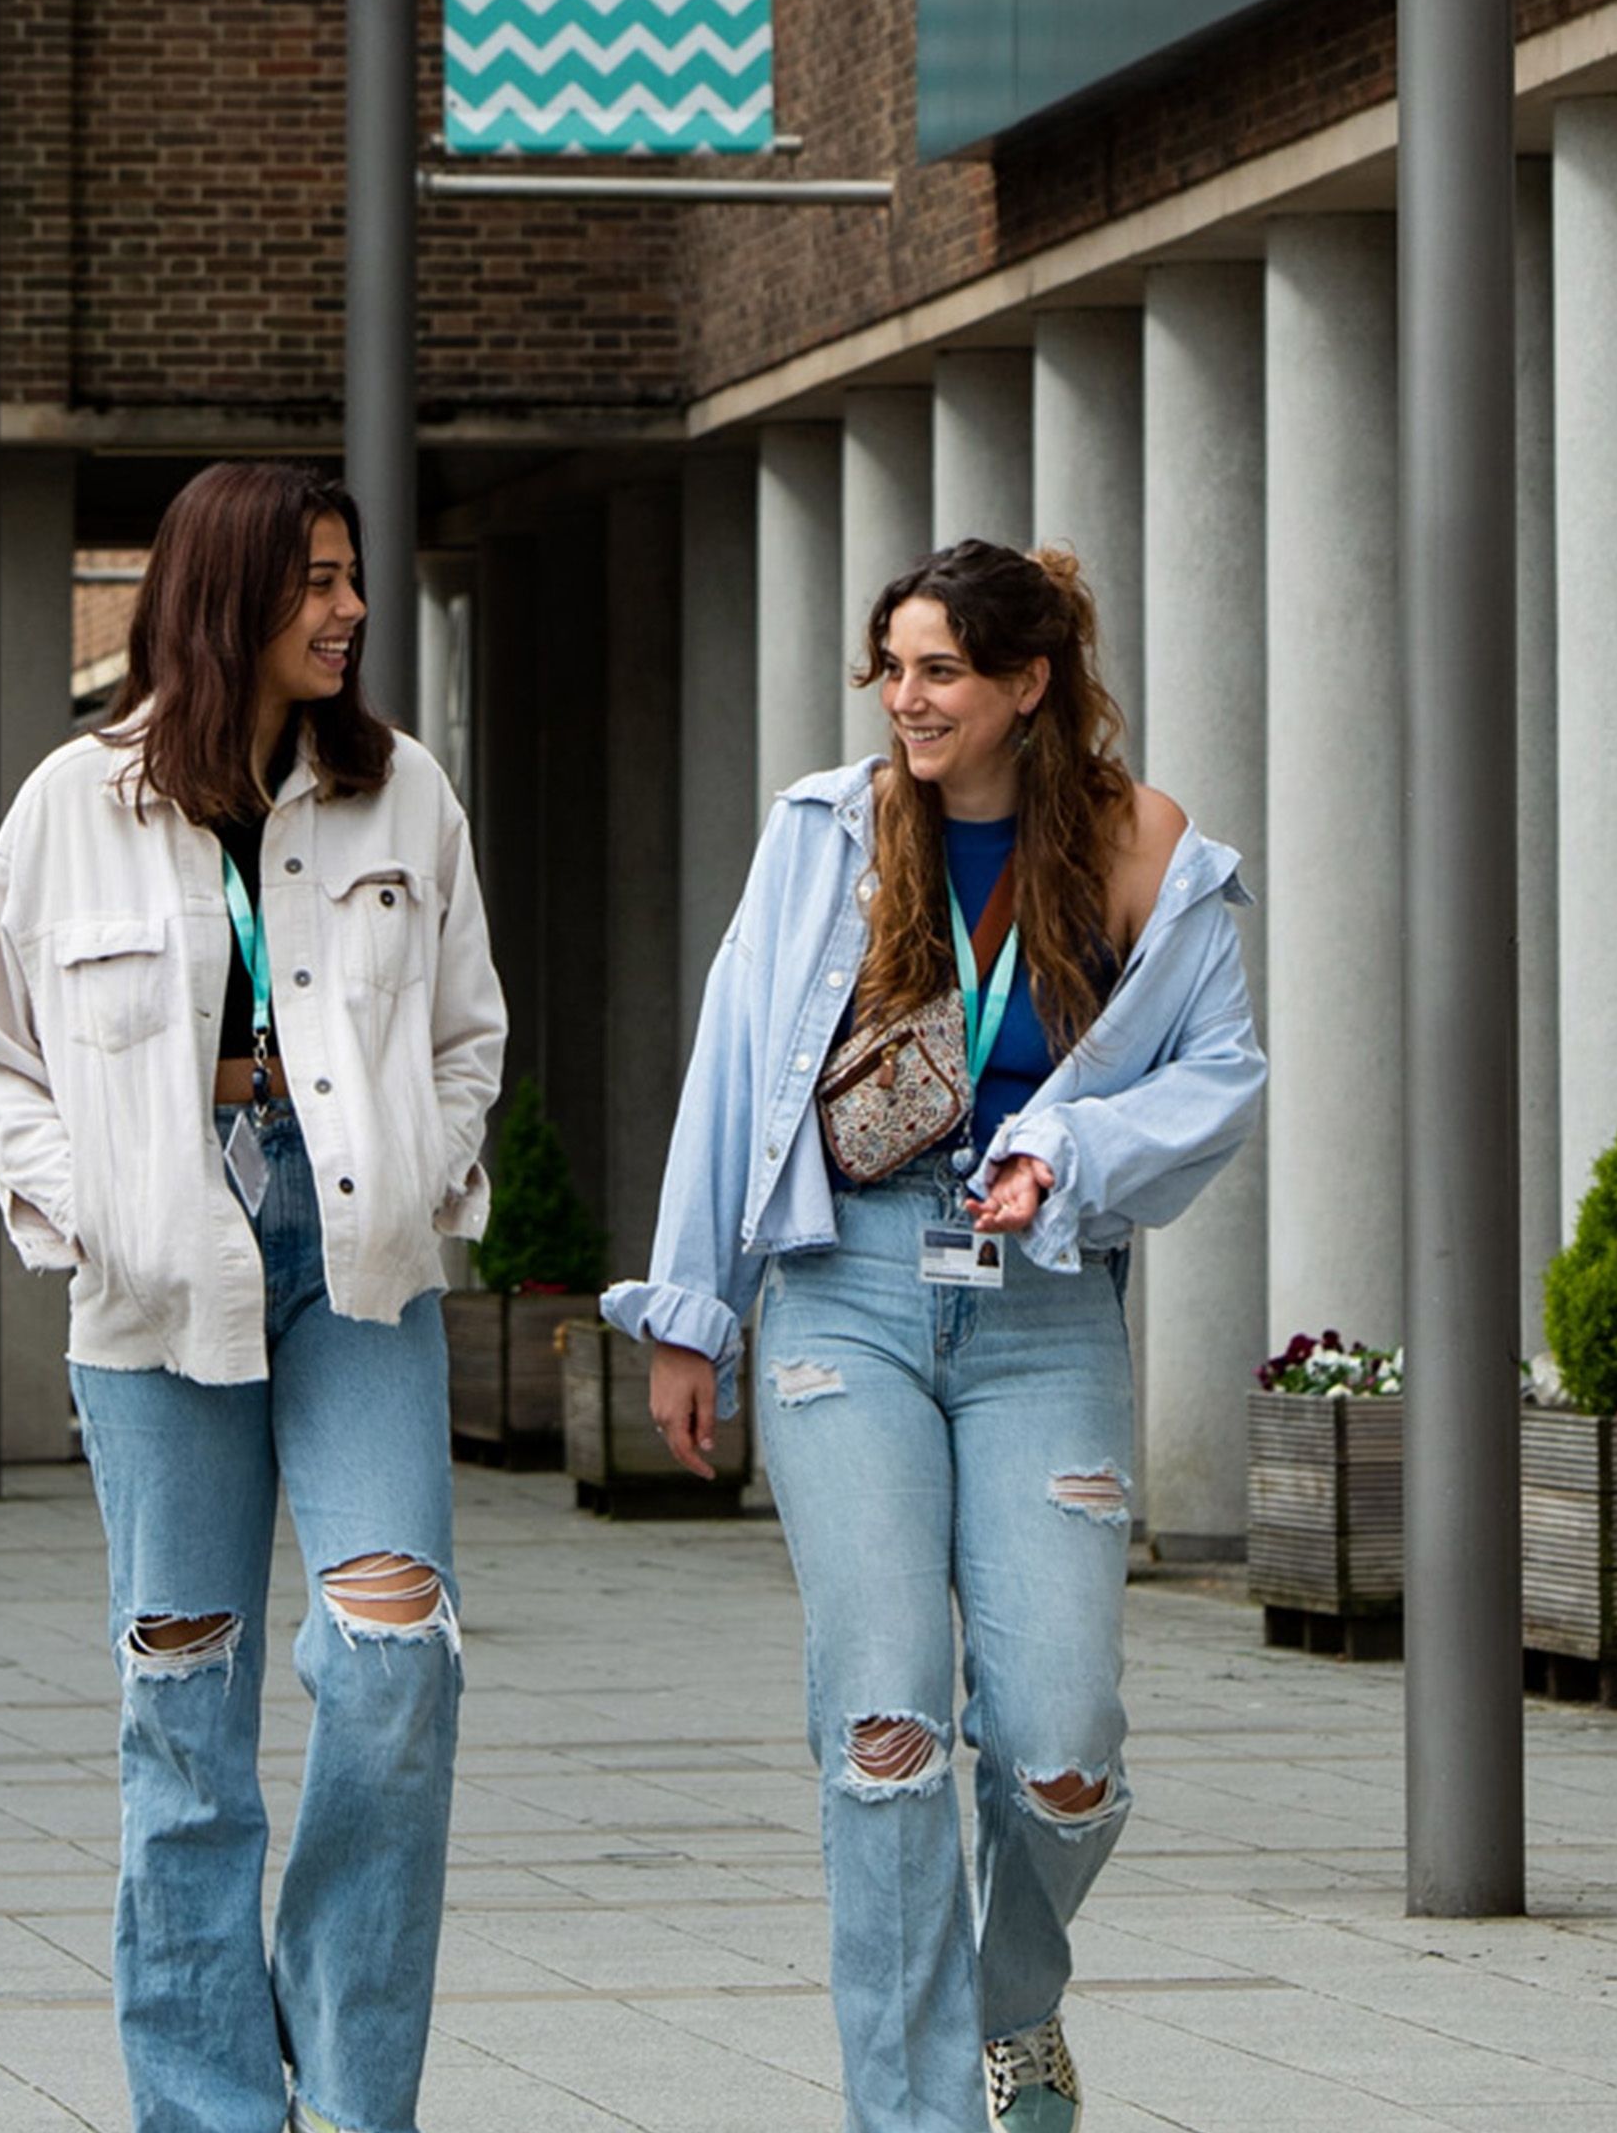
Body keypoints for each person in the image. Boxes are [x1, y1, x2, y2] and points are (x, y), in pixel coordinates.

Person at [604, 539, 1265, 2133]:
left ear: (1027, 683)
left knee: (1062, 1747)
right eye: (891, 667)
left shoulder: (1144, 851)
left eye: (940, 670)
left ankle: (1012, 2005)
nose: (905, 699)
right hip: (846, 1291)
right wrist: (692, 1313)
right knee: (887, 1727)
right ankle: (906, 2112)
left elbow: (1221, 1071)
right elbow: (735, 1056)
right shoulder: (826, 835)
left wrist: (1076, 1153)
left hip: (1041, 1306)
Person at [0, 461, 504, 2133]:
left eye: (351, 578)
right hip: (160, 1295)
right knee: (184, 1716)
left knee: (395, 1668)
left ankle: (345, 2088)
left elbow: (469, 1037)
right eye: (314, 581)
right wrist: (101, 1223)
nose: (346, 610)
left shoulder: (401, 791)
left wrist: (418, 1171)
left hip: (354, 1273)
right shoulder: (72, 803)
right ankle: (207, 2105)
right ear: (223, 597)